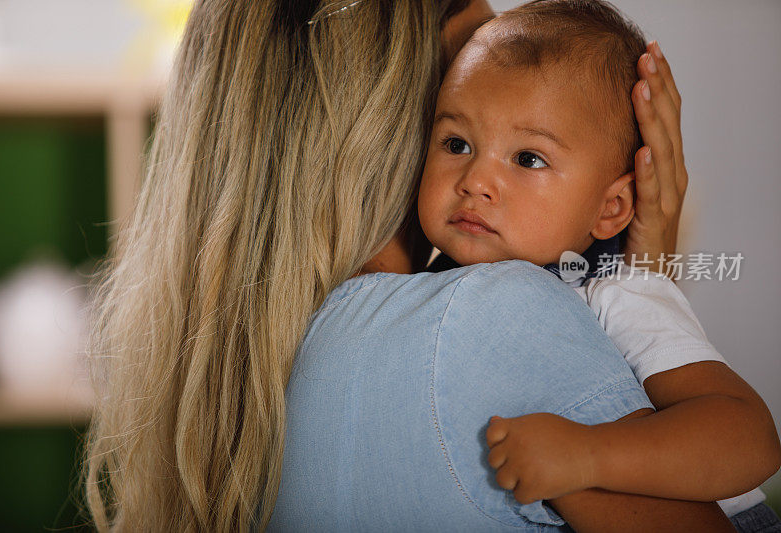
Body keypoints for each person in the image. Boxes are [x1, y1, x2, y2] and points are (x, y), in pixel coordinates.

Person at [82, 0, 732, 531]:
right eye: (461, 130)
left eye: (527, 153)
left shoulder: (232, 377)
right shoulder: (492, 316)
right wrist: (648, 293)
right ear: (395, 115)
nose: (481, 179)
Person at [416, 1, 781, 530]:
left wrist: (590, 455)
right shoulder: (423, 292)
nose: (475, 179)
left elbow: (751, 439)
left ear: (609, 209)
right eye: (457, 143)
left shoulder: (614, 294)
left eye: (528, 158)